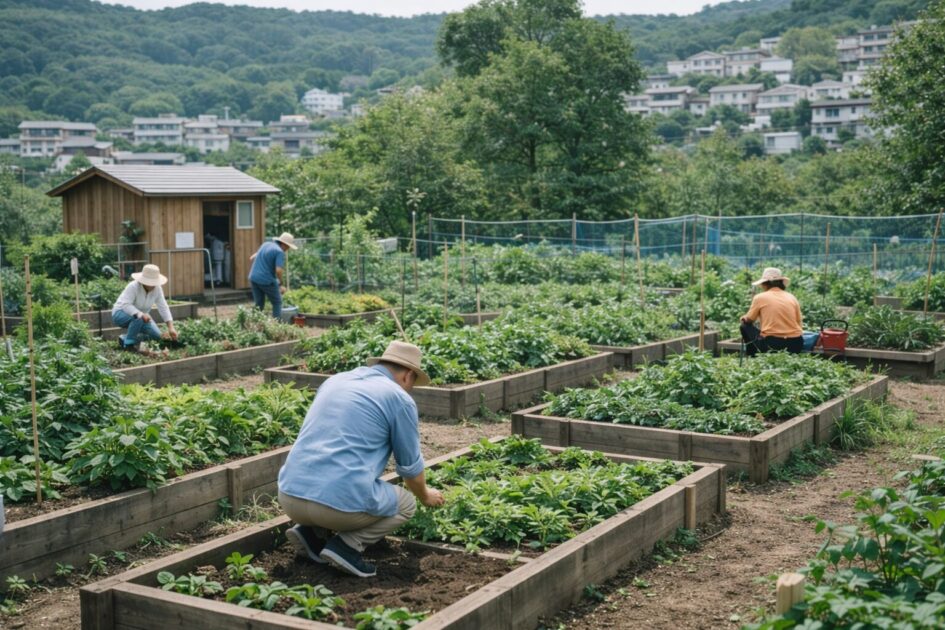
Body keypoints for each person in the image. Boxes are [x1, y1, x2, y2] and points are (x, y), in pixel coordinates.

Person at [277, 341, 445, 578]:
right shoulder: (399, 398)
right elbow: (410, 471)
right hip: (336, 507)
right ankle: (346, 547)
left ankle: (310, 534)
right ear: (408, 376)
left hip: (288, 496)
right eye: (413, 384)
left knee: (337, 474)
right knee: (407, 503)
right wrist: (426, 495)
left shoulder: (336, 380)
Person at [111, 264, 178, 352]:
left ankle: (124, 338)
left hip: (142, 317)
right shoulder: (133, 286)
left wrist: (171, 327)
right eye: (150, 282)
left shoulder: (157, 289)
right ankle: (128, 345)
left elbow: (163, 307)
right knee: (138, 318)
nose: (152, 284)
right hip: (120, 313)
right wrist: (140, 314)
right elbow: (125, 305)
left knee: (157, 337)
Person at [740, 267, 804, 357]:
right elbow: (799, 322)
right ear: (781, 283)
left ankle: (752, 356)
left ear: (765, 284)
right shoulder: (791, 297)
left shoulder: (760, 297)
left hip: (773, 344)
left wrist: (744, 318)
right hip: (796, 344)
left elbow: (749, 320)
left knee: (744, 325)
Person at [248, 232, 296, 318]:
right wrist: (281, 284)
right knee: (277, 302)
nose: (288, 249)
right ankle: (276, 326)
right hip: (266, 280)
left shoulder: (266, 244)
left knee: (259, 304)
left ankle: (253, 323)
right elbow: (278, 270)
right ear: (284, 244)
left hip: (253, 277)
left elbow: (252, 257)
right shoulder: (279, 252)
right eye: (288, 246)